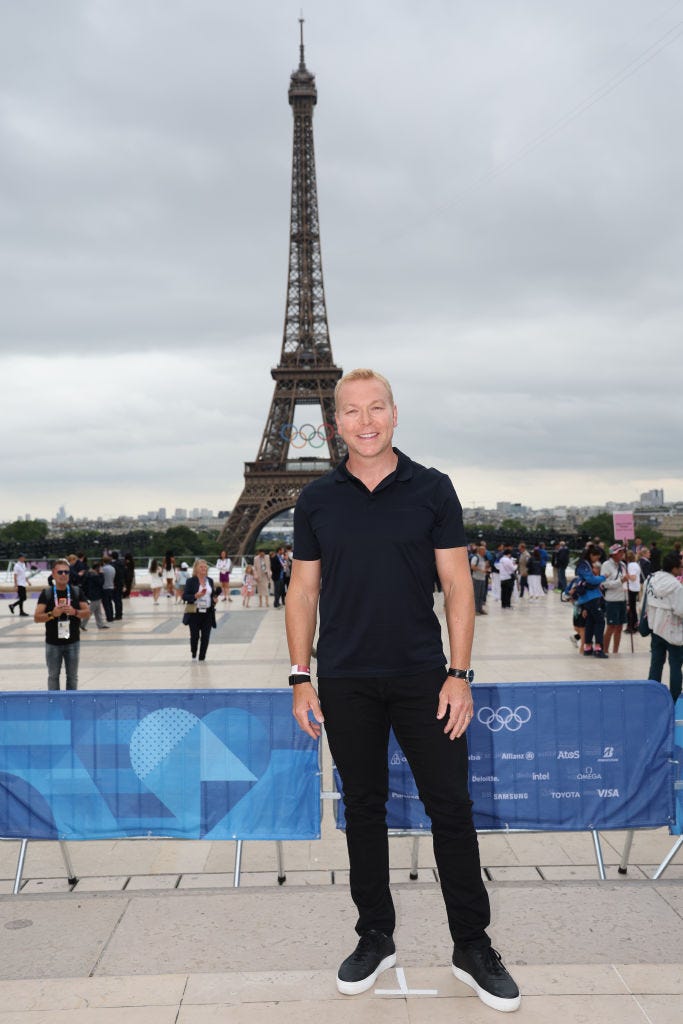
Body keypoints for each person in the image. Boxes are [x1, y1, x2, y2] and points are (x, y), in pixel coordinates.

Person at [286, 368, 520, 1012]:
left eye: (377, 408)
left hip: (424, 676)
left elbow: (458, 586)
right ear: (334, 424)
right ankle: (375, 935)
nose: (366, 421)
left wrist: (460, 672)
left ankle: (472, 945)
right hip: (346, 677)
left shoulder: (433, 489)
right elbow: (303, 591)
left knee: (452, 809)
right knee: (363, 809)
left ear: (395, 414)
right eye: (352, 411)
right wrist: (300, 677)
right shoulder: (316, 501)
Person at [34, 558, 90, 689]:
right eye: (60, 572)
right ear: (53, 574)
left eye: (66, 572)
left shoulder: (76, 591)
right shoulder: (47, 593)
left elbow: (87, 612)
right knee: (53, 676)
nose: (63, 575)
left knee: (72, 676)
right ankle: (54, 706)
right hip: (53, 643)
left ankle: (71, 705)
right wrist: (52, 614)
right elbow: (37, 617)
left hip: (73, 642)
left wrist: (75, 612)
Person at [646, 552, 683, 703]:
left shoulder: (652, 578)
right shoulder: (676, 585)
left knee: (656, 663)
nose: (681, 569)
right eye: (680, 567)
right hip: (673, 630)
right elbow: (681, 610)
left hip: (655, 626)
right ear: (674, 568)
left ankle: (651, 694)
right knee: (675, 665)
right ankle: (673, 698)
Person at [575, 544, 608, 658]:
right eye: (596, 557)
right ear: (591, 555)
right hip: (591, 597)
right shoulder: (584, 564)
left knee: (590, 621)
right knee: (600, 621)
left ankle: (588, 647)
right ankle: (598, 648)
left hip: (589, 597)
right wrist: (603, 577)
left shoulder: (585, 564)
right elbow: (591, 580)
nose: (597, 560)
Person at [182, 559, 218, 661]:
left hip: (208, 612)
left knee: (206, 636)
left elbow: (212, 595)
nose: (204, 568)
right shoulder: (191, 581)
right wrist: (195, 596)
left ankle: (202, 657)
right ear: (196, 569)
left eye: (205, 567)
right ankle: (194, 653)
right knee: (195, 636)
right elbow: (184, 596)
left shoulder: (210, 580)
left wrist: (214, 600)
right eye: (201, 567)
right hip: (194, 611)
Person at [601, 544, 627, 654]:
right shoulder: (606, 565)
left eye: (622, 551)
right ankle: (605, 650)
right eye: (620, 552)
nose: (622, 554)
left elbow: (626, 581)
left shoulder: (623, 565)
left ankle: (616, 651)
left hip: (623, 598)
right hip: (612, 600)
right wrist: (620, 581)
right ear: (613, 554)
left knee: (620, 627)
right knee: (611, 626)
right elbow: (604, 584)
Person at [82, 561, 108, 629]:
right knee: (90, 611)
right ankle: (82, 624)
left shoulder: (89, 574)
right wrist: (102, 574)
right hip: (95, 595)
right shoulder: (95, 575)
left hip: (93, 594)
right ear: (97, 568)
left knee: (98, 611)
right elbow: (101, 583)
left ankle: (100, 625)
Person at [625, 552, 642, 634]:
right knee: (632, 607)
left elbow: (633, 578)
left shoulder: (631, 565)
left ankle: (631, 626)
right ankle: (634, 625)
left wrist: (625, 575)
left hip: (632, 588)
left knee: (631, 608)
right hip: (634, 587)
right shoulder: (634, 564)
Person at [470, 544, 489, 614]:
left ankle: (480, 609)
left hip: (483, 578)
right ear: (480, 551)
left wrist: (486, 569)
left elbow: (484, 567)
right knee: (476, 595)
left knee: (481, 595)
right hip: (476, 578)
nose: (485, 552)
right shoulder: (475, 558)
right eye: (484, 550)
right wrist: (481, 570)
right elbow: (472, 567)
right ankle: (475, 610)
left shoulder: (483, 558)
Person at [101, 556, 116, 622]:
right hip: (111, 587)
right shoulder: (113, 568)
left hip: (105, 587)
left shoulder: (103, 569)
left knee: (106, 604)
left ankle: (109, 617)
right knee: (110, 603)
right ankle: (111, 616)